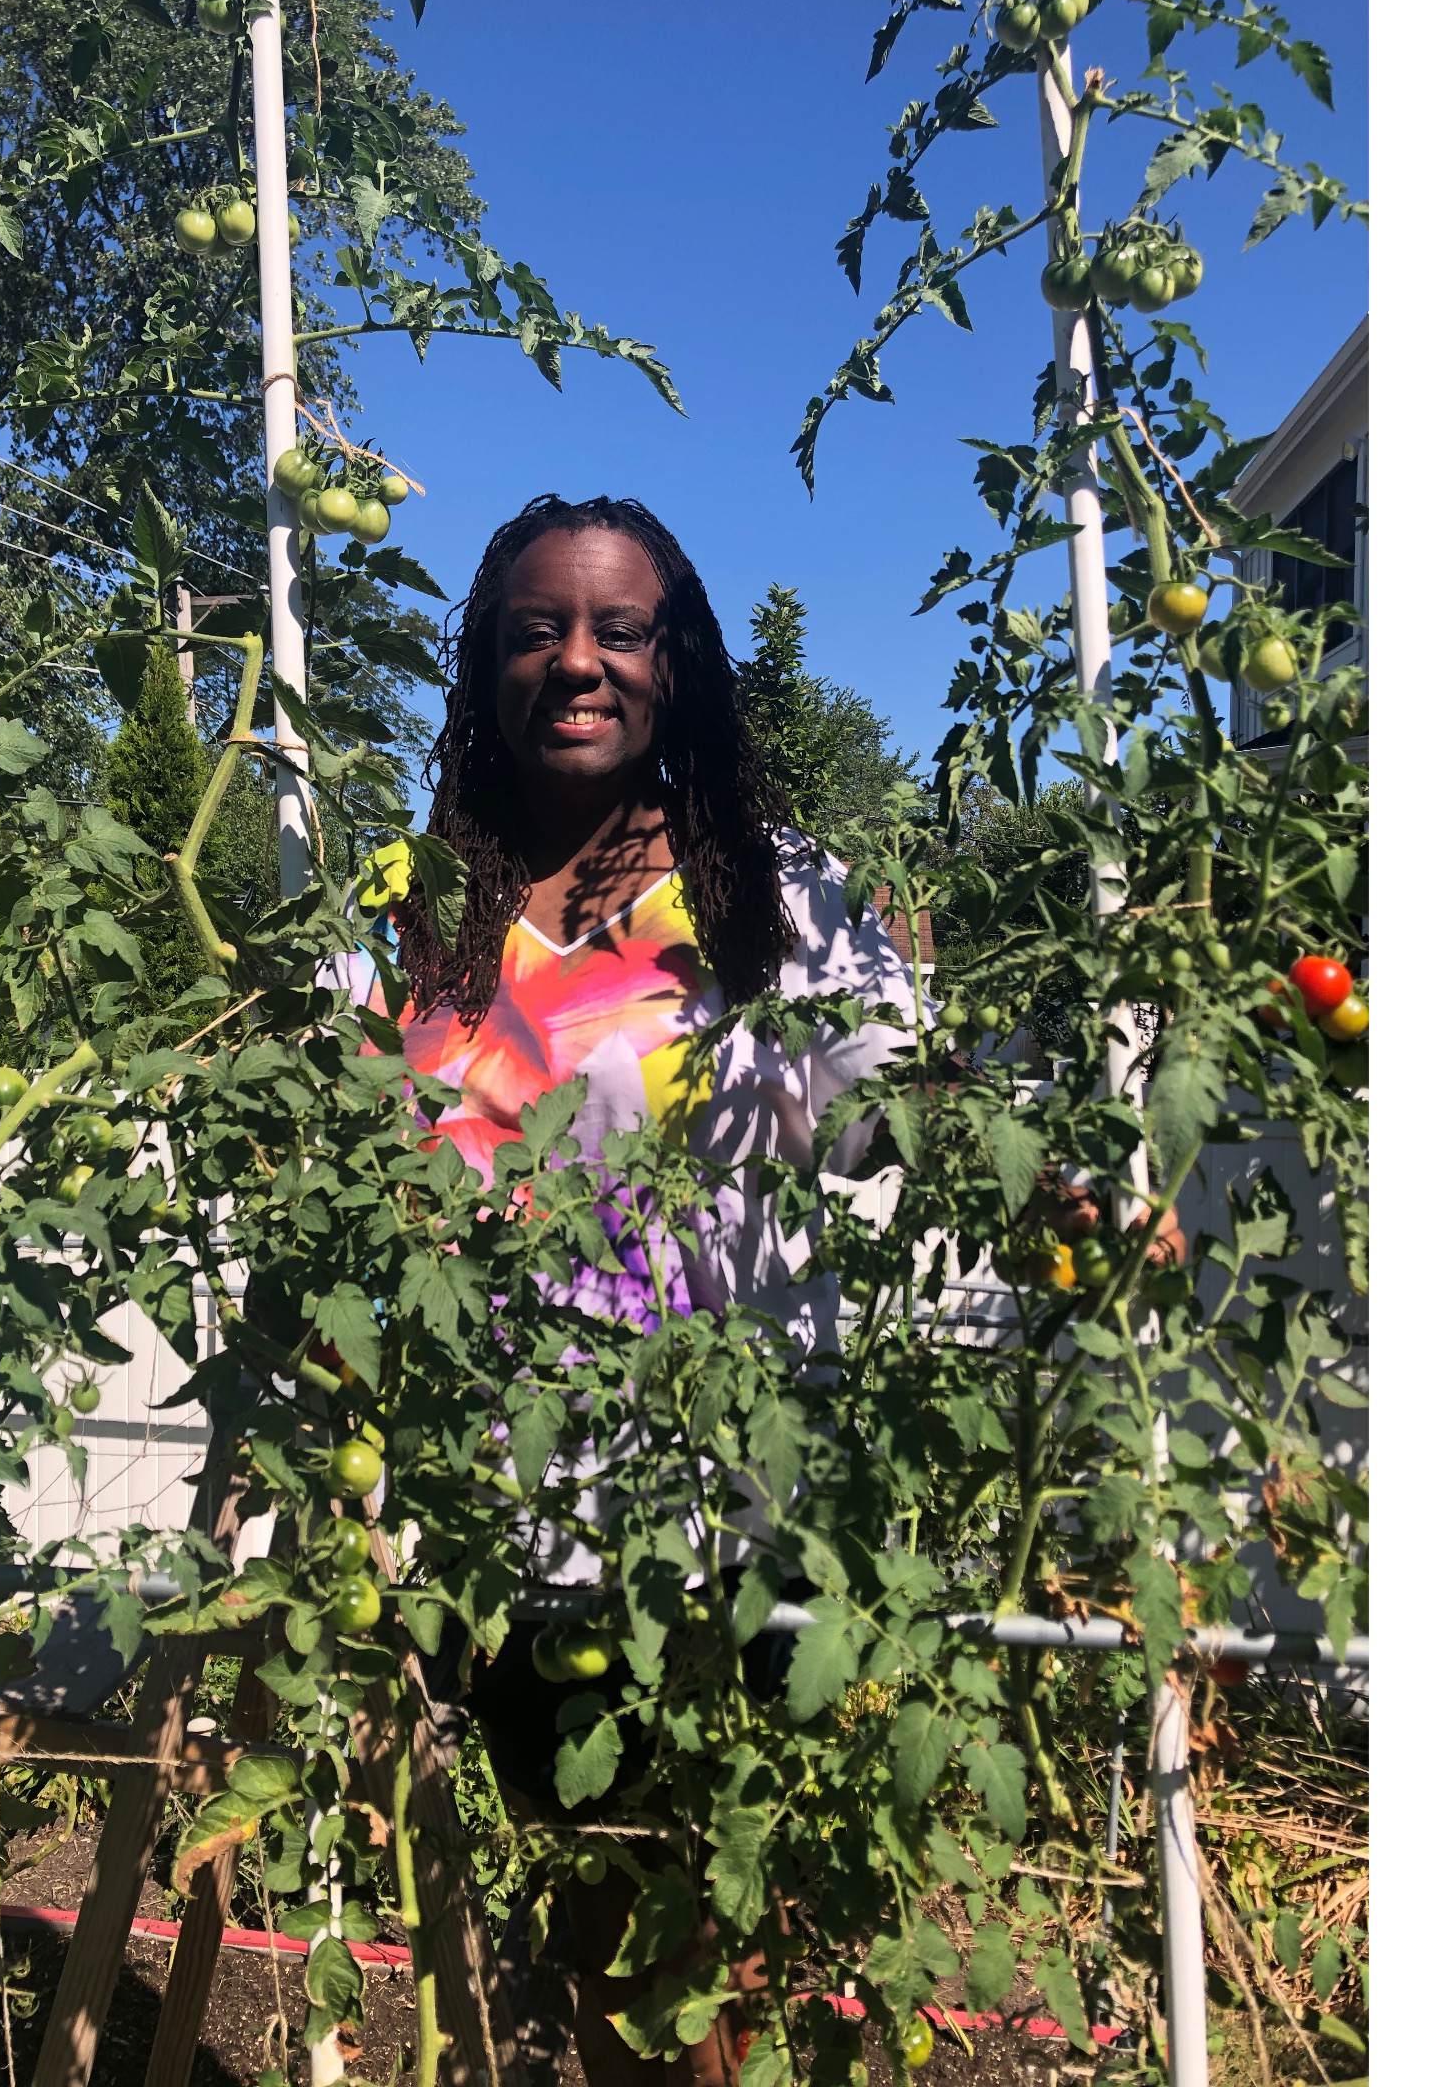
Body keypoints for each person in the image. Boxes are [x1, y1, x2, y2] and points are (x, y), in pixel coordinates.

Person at [334, 494, 1176, 2087]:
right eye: (537, 629)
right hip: (490, 1531)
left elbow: (911, 1101)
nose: (577, 662)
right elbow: (349, 1186)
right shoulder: (412, 912)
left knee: (726, 1968)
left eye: (618, 629)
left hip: (717, 1524)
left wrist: (1060, 1197)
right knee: (590, 1954)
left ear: (679, 663)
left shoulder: (768, 898)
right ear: (487, 662)